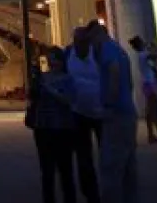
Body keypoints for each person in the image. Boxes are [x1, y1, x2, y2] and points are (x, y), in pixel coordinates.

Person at [88, 20, 138, 203]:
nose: (91, 45)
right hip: (127, 113)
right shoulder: (119, 50)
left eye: (91, 39)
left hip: (115, 115)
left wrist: (108, 103)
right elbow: (130, 82)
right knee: (128, 165)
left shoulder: (107, 50)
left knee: (111, 165)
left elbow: (114, 73)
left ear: (97, 35)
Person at [27, 48, 80, 203]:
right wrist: (35, 80)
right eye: (49, 60)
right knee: (47, 171)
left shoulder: (67, 79)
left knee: (65, 170)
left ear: (62, 61)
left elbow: (70, 99)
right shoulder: (42, 78)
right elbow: (33, 98)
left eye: (55, 59)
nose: (52, 63)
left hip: (63, 128)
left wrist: (52, 91)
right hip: (43, 127)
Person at [64, 27, 102, 203]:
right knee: (83, 156)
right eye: (77, 41)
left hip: (101, 112)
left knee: (107, 152)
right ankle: (90, 193)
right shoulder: (68, 54)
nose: (80, 44)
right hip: (77, 112)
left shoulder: (99, 54)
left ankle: (108, 186)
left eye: (83, 41)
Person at [128, 35, 157, 146]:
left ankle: (151, 135)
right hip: (150, 85)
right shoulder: (144, 55)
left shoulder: (141, 55)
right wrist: (154, 45)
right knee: (154, 111)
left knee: (150, 110)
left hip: (147, 84)